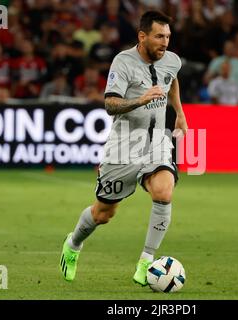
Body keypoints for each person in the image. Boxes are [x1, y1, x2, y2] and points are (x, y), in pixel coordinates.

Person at [59, 10, 188, 287]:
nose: (164, 42)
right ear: (142, 36)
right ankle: (73, 244)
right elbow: (110, 104)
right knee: (103, 213)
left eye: (167, 36)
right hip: (124, 145)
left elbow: (172, 79)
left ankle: (146, 262)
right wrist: (140, 100)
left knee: (164, 190)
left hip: (157, 140)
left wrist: (179, 112)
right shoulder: (123, 62)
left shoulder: (172, 60)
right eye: (158, 36)